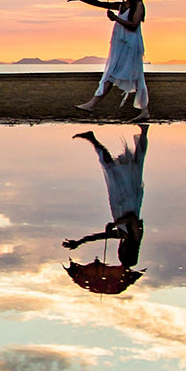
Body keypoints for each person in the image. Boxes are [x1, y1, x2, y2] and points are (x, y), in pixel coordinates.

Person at [63, 125, 147, 293]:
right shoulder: (134, 236)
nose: (118, 249)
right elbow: (131, 218)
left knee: (111, 168)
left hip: (120, 201)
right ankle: (144, 132)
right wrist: (116, 223)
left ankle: (93, 139)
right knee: (130, 165)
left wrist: (79, 242)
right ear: (126, 251)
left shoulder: (124, 236)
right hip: (128, 198)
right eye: (120, 251)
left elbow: (100, 236)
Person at [65, 0, 148, 120]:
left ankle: (92, 104)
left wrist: (115, 18)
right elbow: (99, 3)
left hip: (131, 47)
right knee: (123, 75)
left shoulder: (138, 5)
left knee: (126, 75)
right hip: (120, 46)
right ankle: (144, 112)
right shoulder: (121, 6)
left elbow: (134, 25)